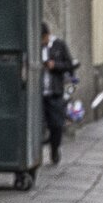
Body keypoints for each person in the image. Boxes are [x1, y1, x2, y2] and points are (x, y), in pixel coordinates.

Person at [39, 22, 78, 166]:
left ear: (47, 35)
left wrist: (55, 66)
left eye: (42, 38)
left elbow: (69, 65)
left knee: (56, 124)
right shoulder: (34, 47)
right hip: (38, 93)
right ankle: (36, 154)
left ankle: (55, 148)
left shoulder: (59, 45)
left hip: (54, 92)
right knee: (38, 124)